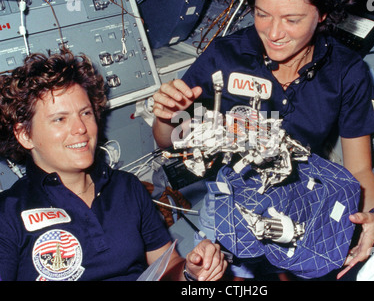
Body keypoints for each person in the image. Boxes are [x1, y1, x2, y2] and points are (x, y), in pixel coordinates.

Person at [152, 0, 374, 280]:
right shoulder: (225, 56)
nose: (274, 33)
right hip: (230, 210)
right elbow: (169, 142)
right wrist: (166, 116)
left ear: (323, 14)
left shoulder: (346, 71)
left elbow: (358, 170)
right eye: (262, 14)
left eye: (292, 20)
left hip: (302, 204)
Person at [0, 50, 227, 281]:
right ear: (24, 135)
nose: (81, 128)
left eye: (86, 113)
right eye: (60, 119)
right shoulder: (7, 213)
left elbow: (167, 266)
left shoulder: (126, 187)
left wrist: (192, 271)